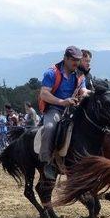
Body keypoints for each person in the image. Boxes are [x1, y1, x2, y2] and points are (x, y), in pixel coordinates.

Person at [38, 46, 90, 179]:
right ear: (65, 58)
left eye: (78, 60)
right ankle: (47, 162)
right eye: (73, 60)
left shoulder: (79, 75)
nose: (76, 63)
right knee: (49, 128)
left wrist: (87, 94)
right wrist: (62, 102)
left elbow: (83, 90)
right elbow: (44, 94)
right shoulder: (51, 73)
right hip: (55, 108)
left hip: (73, 109)